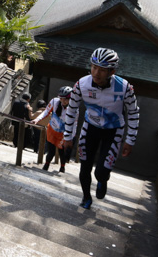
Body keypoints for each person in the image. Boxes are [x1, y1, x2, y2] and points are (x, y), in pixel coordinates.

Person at [62, 48, 139, 209]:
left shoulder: (124, 88)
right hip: (90, 128)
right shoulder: (81, 84)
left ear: (112, 71)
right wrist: (68, 136)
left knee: (101, 172)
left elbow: (133, 113)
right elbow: (72, 109)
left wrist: (130, 140)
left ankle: (102, 180)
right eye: (93, 67)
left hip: (114, 130)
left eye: (102, 70)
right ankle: (86, 197)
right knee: (85, 166)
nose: (96, 73)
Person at [30, 86, 73, 173]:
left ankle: (62, 167)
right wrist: (37, 119)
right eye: (61, 98)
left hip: (62, 133)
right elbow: (46, 112)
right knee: (51, 151)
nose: (63, 101)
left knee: (61, 151)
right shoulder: (54, 101)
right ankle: (46, 165)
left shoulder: (74, 109)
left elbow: (74, 124)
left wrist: (71, 136)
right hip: (52, 130)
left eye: (66, 99)